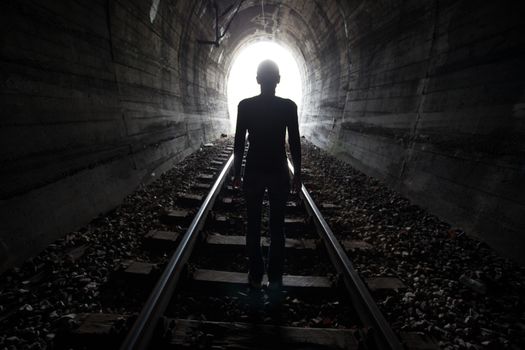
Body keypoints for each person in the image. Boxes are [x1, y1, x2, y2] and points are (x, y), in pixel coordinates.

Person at [233, 59, 301, 290]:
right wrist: (298, 173)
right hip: (278, 171)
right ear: (279, 79)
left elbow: (239, 144)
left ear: (258, 79)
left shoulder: (245, 106)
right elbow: (294, 142)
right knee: (276, 225)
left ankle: (255, 273)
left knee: (252, 224)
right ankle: (275, 276)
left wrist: (237, 173)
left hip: (253, 170)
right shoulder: (288, 107)